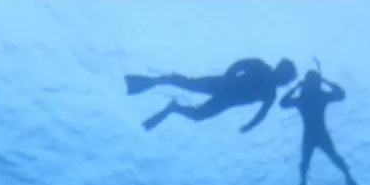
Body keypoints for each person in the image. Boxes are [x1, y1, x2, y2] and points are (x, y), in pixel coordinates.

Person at [124, 58, 297, 132]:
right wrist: (229, 76)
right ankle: (155, 82)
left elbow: (261, 114)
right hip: (221, 85)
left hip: (225, 98)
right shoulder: (262, 70)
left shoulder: (270, 93)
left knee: (197, 113)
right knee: (188, 85)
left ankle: (173, 107)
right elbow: (240, 64)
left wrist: (249, 126)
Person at [279, 69, 362, 185]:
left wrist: (297, 87)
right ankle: (348, 177)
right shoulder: (320, 96)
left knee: (306, 162)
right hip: (321, 134)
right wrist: (325, 82)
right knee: (332, 157)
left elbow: (283, 103)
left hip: (309, 135)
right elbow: (340, 95)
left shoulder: (303, 99)